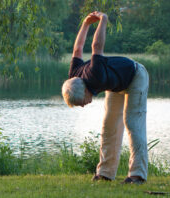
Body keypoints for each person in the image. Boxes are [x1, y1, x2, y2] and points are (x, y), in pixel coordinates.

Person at [62, 11, 149, 184]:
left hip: (136, 76)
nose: (83, 106)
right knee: (109, 126)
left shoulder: (95, 75)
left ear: (85, 90)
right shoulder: (74, 76)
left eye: (81, 103)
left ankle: (138, 175)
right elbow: (77, 49)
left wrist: (103, 20)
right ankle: (105, 173)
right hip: (116, 84)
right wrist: (85, 24)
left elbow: (97, 46)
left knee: (132, 122)